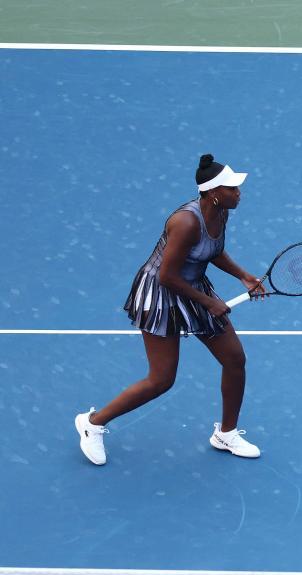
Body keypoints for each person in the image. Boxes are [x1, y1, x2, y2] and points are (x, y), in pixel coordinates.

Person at [74, 154, 266, 465]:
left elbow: (212, 250)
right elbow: (167, 276)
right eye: (233, 188)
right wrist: (209, 302)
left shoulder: (220, 212)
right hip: (161, 293)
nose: (239, 193)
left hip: (191, 286)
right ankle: (92, 423)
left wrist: (243, 276)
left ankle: (226, 433)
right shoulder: (186, 222)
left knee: (234, 359)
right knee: (162, 379)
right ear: (215, 193)